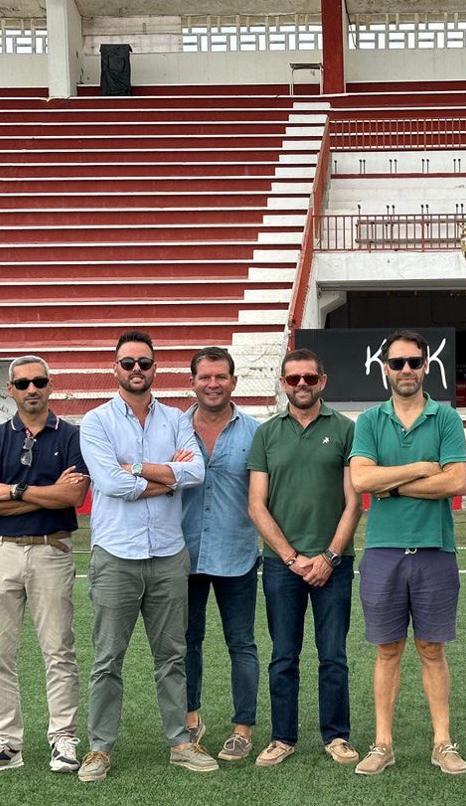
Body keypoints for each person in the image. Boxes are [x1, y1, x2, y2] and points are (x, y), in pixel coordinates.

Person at [76, 330, 210, 781]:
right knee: (107, 658)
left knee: (171, 655)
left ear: (156, 368)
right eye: (129, 363)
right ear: (115, 368)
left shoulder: (175, 418)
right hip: (116, 554)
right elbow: (110, 484)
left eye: (145, 363)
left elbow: (196, 471)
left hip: (169, 553)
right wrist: (163, 476)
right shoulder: (95, 421)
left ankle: (179, 741)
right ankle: (99, 748)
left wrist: (133, 466)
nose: (137, 370)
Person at [348, 329, 466, 776]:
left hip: (436, 550)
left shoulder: (446, 418)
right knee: (387, 651)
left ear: (425, 366)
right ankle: (383, 744)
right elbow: (361, 480)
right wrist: (421, 469)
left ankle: (442, 743)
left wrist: (390, 482)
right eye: (397, 363)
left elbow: (456, 482)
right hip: (382, 551)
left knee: (432, 649)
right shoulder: (368, 420)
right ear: (385, 369)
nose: (406, 370)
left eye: (414, 362)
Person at [0, 355, 90, 776]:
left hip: (51, 549)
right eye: (23, 383)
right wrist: (42, 492)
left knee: (59, 650)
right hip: (0, 551)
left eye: (39, 381)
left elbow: (72, 498)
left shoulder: (71, 435)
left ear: (50, 385)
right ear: (10, 389)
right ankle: (6, 743)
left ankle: (64, 739)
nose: (31, 389)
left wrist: (14, 491)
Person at [247, 348, 361, 768]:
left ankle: (336, 736)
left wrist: (329, 556)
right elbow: (257, 505)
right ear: (282, 383)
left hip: (335, 562)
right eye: (293, 379)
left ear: (322, 382)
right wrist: (292, 557)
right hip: (281, 565)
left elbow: (354, 503)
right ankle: (282, 737)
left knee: (333, 654)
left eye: (308, 379)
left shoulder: (347, 430)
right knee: (283, 655)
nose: (301, 386)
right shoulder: (266, 434)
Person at [180, 347, 261, 762]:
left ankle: (242, 728)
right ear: (192, 381)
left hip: (238, 554)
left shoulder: (255, 431)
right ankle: (191, 721)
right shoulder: (172, 429)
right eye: (205, 377)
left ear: (233, 381)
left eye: (220, 377)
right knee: (186, 643)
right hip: (182, 555)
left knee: (241, 643)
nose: (213, 384)